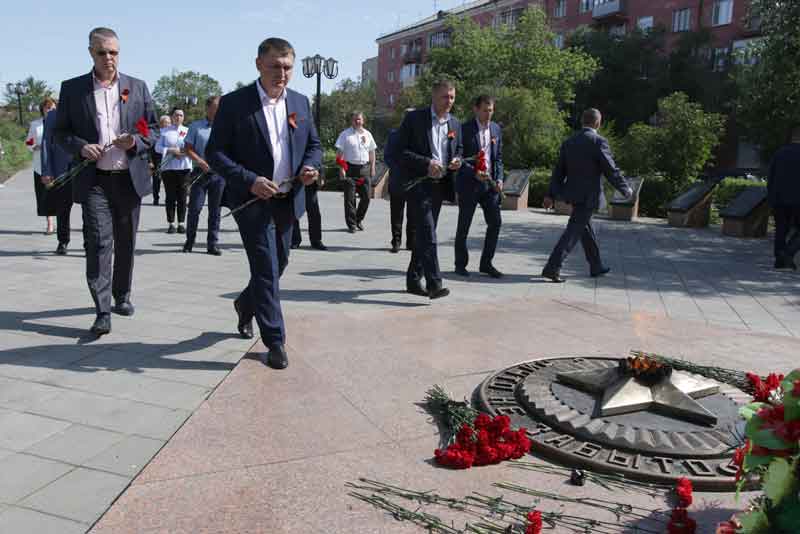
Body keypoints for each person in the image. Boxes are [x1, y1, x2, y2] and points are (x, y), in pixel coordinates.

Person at [206, 37, 322, 369]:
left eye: (287, 67)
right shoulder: (235, 104)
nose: (281, 74)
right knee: (266, 269)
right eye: (274, 66)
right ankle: (274, 340)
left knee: (279, 263)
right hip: (251, 201)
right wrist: (249, 180)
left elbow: (312, 144)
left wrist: (310, 168)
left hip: (288, 199)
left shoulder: (300, 101)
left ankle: (245, 304)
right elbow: (216, 153)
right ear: (258, 64)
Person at [54, 27, 156, 335]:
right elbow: (60, 133)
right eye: (102, 52)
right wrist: (81, 147)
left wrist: (135, 142)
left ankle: (121, 295)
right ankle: (102, 310)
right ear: (90, 53)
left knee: (126, 243)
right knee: (98, 242)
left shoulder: (137, 87)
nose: (109, 58)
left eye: (114, 52)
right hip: (94, 179)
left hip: (128, 179)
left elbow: (150, 131)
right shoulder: (72, 89)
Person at [541, 108, 632, 283]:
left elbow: (559, 172)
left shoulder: (569, 142)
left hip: (573, 194)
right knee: (573, 232)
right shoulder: (598, 142)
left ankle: (596, 266)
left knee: (586, 230)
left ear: (582, 121)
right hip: (589, 196)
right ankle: (552, 267)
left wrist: (550, 194)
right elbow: (610, 169)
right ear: (598, 123)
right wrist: (625, 188)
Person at [394, 79, 462, 299]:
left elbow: (458, 148)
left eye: (452, 97)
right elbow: (399, 151)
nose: (449, 101)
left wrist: (457, 160)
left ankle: (413, 279)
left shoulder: (455, 124)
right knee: (428, 232)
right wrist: (426, 163)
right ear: (433, 96)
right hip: (418, 183)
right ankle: (435, 283)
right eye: (445, 96)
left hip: (440, 186)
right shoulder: (414, 118)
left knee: (425, 234)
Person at [454, 95, 504, 278]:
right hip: (469, 184)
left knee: (496, 223)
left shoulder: (496, 129)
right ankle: (460, 264)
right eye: (485, 110)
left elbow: (498, 158)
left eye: (491, 110)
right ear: (475, 109)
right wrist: (473, 172)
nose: (488, 114)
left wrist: (499, 178)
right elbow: (458, 158)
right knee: (464, 225)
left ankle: (486, 263)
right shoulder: (464, 129)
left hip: (490, 186)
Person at [183, 96, 225, 255]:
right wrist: (200, 161)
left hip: (219, 174)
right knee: (195, 208)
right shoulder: (196, 126)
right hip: (199, 173)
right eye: (215, 107)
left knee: (215, 211)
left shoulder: (225, 127)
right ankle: (189, 241)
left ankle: (212, 244)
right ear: (207, 108)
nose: (219, 110)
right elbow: (187, 148)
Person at [40, 101, 75, 255]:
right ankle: (63, 241)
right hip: (61, 170)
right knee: (63, 208)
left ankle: (90, 243)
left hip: (85, 167)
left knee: (90, 209)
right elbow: (46, 142)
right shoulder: (53, 115)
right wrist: (47, 170)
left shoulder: (89, 109)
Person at [335, 111, 376, 233]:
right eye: (355, 119)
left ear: (363, 121)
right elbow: (339, 155)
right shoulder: (345, 135)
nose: (357, 121)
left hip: (364, 169)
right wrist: (342, 168)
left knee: (367, 197)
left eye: (359, 119)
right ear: (351, 121)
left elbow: (372, 152)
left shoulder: (368, 135)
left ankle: (358, 219)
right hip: (349, 169)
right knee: (350, 199)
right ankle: (352, 224)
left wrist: (373, 167)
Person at [768, 125, 800, 270]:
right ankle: (787, 253)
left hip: (779, 199)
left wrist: (771, 198)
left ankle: (779, 260)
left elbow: (771, 177)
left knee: (781, 229)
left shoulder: (779, 153)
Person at [156, 108, 192, 233]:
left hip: (184, 167)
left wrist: (184, 153)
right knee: (170, 196)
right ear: (172, 117)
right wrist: (170, 150)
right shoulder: (164, 131)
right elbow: (157, 148)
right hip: (169, 168)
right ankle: (171, 223)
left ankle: (181, 223)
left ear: (183, 117)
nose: (178, 117)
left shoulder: (188, 131)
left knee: (182, 196)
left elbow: (193, 147)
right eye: (176, 115)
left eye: (181, 115)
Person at [27, 97, 57, 234]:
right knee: (44, 194)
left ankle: (62, 222)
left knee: (59, 195)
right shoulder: (35, 125)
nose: (50, 110)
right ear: (42, 110)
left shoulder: (60, 123)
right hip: (40, 165)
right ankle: (50, 223)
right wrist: (34, 146)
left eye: (52, 108)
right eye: (47, 108)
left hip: (58, 165)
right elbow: (28, 142)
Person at [385, 122, 415, 253]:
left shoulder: (420, 136)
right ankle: (396, 241)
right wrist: (399, 168)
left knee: (413, 213)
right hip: (397, 179)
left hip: (414, 180)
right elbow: (387, 156)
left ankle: (411, 242)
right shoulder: (394, 135)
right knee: (396, 212)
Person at [150, 114, 171, 205]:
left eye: (169, 122)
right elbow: (150, 148)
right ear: (161, 123)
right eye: (166, 122)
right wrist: (150, 161)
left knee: (169, 181)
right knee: (156, 180)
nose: (168, 124)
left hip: (170, 160)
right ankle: (156, 198)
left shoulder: (172, 133)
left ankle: (169, 198)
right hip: (157, 160)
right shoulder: (156, 133)